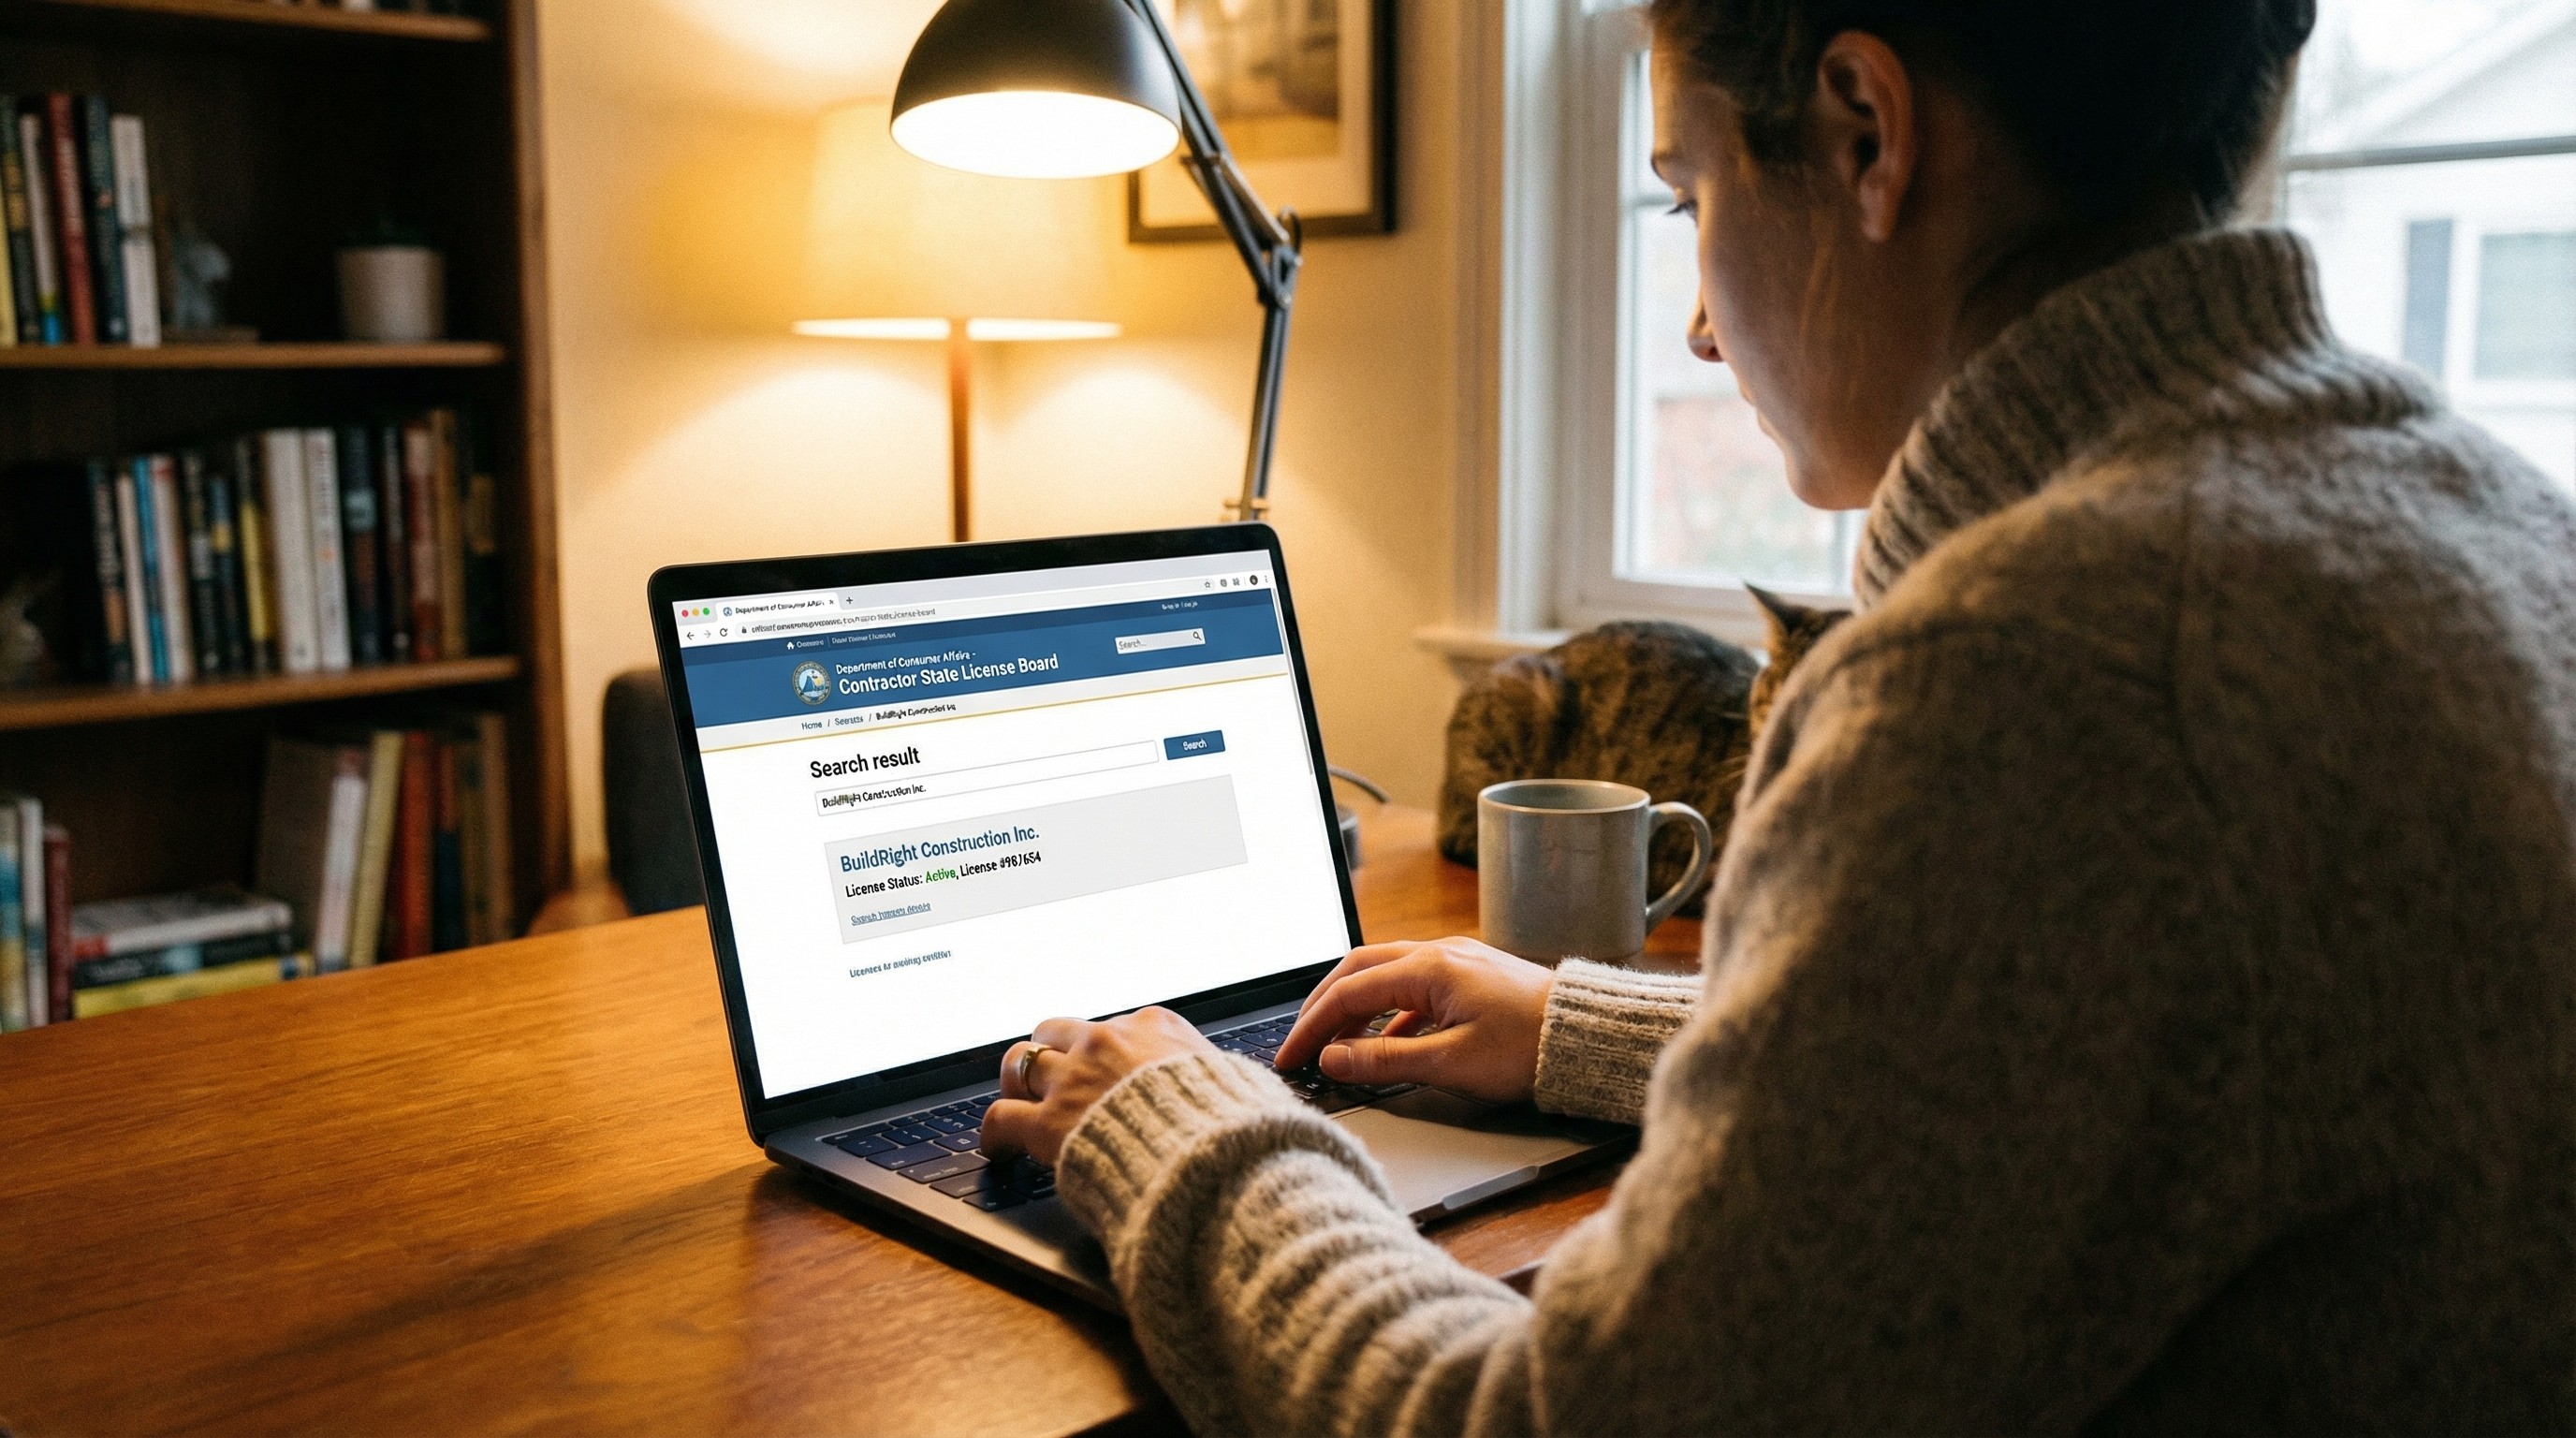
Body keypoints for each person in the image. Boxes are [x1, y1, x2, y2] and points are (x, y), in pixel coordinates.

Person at [977, 0, 2576, 1430]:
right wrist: (1588, 1029)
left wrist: (1181, 1124)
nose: (1696, 321)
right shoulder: (2481, 516)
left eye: (1690, 195)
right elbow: (2054, 1062)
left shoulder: (2039, 675)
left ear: (1867, 134)